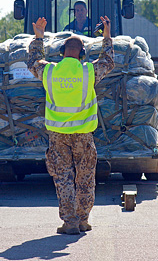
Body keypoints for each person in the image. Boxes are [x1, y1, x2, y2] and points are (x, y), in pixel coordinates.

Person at [27, 16, 114, 235]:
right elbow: (108, 61)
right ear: (82, 53)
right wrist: (106, 37)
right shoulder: (88, 72)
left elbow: (33, 62)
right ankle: (83, 221)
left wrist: (39, 37)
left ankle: (69, 222)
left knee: (63, 178)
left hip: (58, 136)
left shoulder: (50, 72)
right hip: (83, 136)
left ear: (61, 52)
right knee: (84, 178)